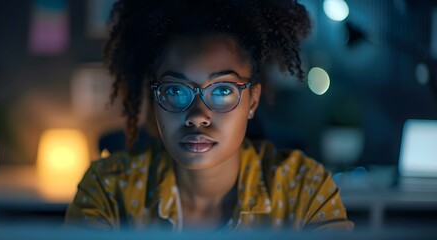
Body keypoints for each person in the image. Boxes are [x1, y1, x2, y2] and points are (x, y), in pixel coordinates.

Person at [65, 0, 354, 232]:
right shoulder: (108, 189)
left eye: (222, 91)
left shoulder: (305, 190)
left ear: (252, 100)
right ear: (155, 99)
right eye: (176, 91)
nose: (198, 116)